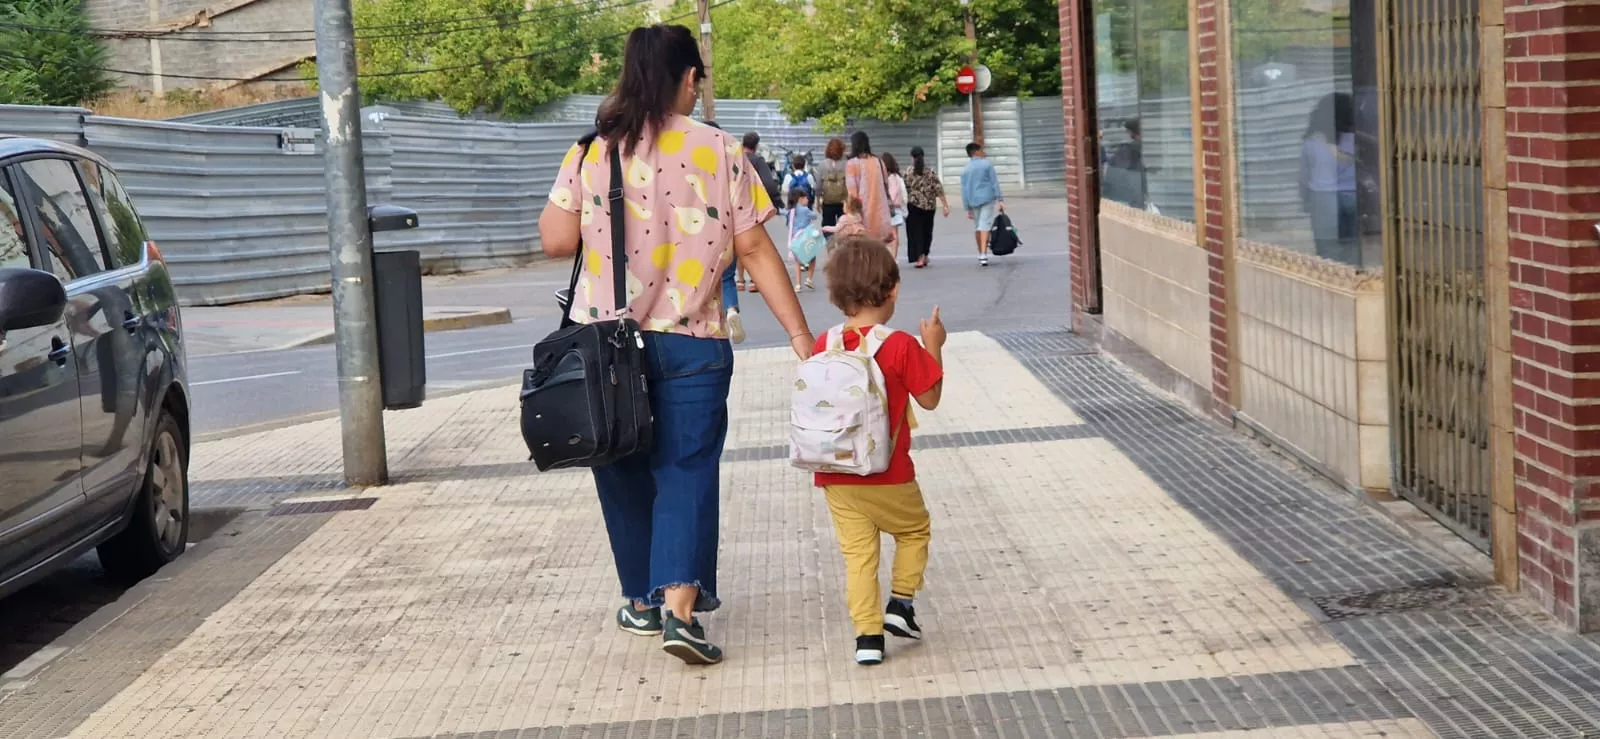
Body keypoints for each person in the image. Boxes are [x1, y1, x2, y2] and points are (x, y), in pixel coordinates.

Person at [537, 23, 815, 666]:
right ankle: (680, 613)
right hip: (693, 343)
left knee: (621, 464)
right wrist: (799, 335)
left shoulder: (592, 149)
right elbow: (755, 248)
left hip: (606, 349)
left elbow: (555, 240)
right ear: (689, 78)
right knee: (686, 471)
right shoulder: (721, 149)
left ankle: (640, 599)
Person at [812, 234, 946, 665]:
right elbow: (930, 398)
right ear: (894, 290)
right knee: (914, 530)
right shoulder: (900, 344)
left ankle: (867, 638)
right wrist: (934, 345)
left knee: (858, 556)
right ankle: (901, 604)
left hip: (835, 472)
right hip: (888, 472)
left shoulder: (824, 343)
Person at [1299, 92, 1358, 264]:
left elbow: (1304, 175)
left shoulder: (1312, 142)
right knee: (1352, 245)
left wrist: (1305, 200)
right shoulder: (1355, 139)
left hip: (1323, 197)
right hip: (1353, 195)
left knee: (1326, 248)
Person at [703, 120, 745, 342]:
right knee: (727, 278)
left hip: (701, 232)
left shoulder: (691, 164)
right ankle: (731, 310)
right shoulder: (729, 164)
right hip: (728, 230)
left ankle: (711, 322)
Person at [740, 131, 783, 292]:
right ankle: (754, 280)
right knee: (753, 244)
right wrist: (776, 201)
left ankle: (740, 280)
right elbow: (769, 184)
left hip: (734, 204)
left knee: (739, 243)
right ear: (756, 146)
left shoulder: (733, 158)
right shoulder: (757, 161)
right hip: (753, 206)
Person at [845, 132, 897, 251]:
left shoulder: (852, 164)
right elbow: (886, 184)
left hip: (863, 214)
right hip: (881, 214)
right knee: (879, 249)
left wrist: (851, 214)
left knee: (864, 249)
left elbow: (852, 193)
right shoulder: (879, 161)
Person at [903, 146, 950, 268]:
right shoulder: (930, 172)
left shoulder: (908, 172)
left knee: (915, 232)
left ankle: (919, 257)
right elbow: (939, 189)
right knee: (927, 231)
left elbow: (904, 189)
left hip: (914, 206)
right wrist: (945, 205)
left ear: (912, 157)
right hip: (929, 207)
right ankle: (925, 254)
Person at [959, 141, 1004, 267]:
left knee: (977, 226)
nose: (983, 152)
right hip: (987, 198)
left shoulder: (966, 169)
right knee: (984, 225)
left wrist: (967, 207)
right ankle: (984, 254)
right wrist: (1000, 199)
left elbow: (964, 189)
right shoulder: (987, 165)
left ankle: (980, 253)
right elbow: (994, 183)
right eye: (981, 150)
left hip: (973, 201)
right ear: (977, 152)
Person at [787, 188, 820, 290]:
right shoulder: (805, 210)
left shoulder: (792, 210)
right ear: (800, 199)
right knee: (812, 258)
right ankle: (809, 279)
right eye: (806, 198)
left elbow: (788, 221)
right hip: (806, 237)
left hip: (796, 238)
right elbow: (814, 216)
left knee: (797, 261)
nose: (807, 200)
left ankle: (798, 284)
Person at [881, 152, 908, 260]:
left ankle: (892, 257)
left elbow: (891, 194)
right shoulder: (897, 177)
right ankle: (894, 257)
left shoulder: (889, 178)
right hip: (896, 209)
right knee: (894, 234)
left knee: (889, 234)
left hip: (889, 209)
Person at [817, 138, 849, 229]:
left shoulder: (822, 165)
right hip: (844, 201)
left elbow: (818, 186)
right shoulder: (847, 164)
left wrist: (818, 201)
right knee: (844, 227)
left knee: (828, 226)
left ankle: (830, 238)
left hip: (828, 201)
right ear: (842, 150)